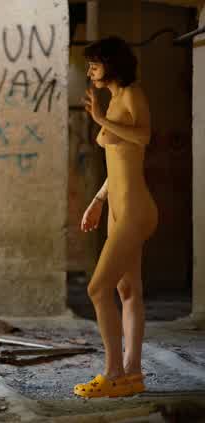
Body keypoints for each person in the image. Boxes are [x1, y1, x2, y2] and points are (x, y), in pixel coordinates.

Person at [75, 36, 158, 398]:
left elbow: (143, 137)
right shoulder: (112, 100)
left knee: (97, 288)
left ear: (112, 64)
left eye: (95, 65)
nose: (90, 72)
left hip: (136, 210)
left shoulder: (132, 94)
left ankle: (112, 374)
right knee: (127, 290)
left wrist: (99, 119)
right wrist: (97, 200)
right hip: (117, 208)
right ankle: (132, 375)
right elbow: (119, 163)